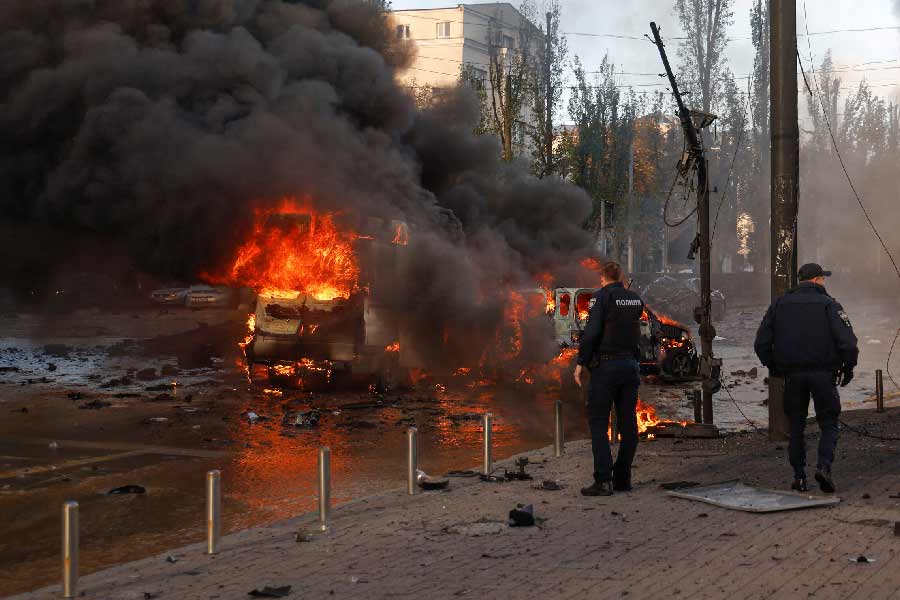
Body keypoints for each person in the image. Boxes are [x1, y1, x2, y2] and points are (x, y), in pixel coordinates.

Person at [754, 263, 858, 493]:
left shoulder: (779, 305)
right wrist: (848, 368)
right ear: (817, 280)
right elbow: (848, 343)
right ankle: (824, 467)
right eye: (823, 279)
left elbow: (761, 343)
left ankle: (799, 477)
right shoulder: (830, 305)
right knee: (829, 422)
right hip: (824, 374)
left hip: (793, 376)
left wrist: (775, 367)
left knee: (797, 426)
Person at [574, 261, 645, 496]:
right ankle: (623, 478)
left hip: (606, 367)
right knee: (629, 425)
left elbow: (592, 332)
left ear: (602, 277)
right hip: (630, 366)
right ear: (621, 277)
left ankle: (603, 480)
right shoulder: (635, 299)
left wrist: (581, 362)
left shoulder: (601, 298)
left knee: (598, 422)